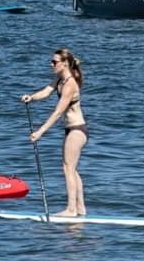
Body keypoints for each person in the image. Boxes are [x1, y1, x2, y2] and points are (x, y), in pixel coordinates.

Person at [21, 47, 87, 217]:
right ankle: (80, 208)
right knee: (72, 169)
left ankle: (71, 210)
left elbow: (58, 112)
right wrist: (32, 97)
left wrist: (40, 132)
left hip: (77, 130)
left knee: (67, 168)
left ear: (64, 64)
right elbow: (47, 91)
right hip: (71, 130)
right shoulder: (60, 79)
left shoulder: (70, 85)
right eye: (52, 61)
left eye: (54, 62)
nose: (51, 64)